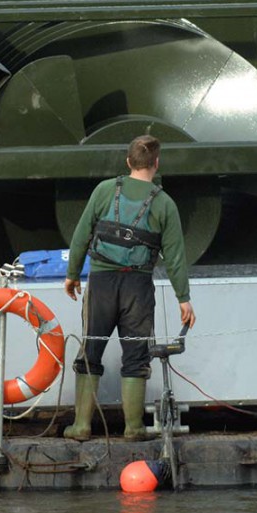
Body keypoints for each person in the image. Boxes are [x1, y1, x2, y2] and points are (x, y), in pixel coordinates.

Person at [62, 135, 195, 441]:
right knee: (136, 355)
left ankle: (81, 426)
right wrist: (183, 299)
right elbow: (175, 257)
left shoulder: (105, 190)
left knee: (91, 349)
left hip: (101, 283)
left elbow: (82, 234)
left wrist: (72, 275)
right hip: (138, 286)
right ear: (156, 164)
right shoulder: (164, 203)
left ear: (128, 162)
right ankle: (133, 427)